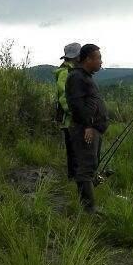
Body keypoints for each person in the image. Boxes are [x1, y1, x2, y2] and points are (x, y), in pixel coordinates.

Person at [65, 43, 108, 213]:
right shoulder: (76, 77)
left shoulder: (86, 76)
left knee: (90, 165)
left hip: (92, 129)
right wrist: (88, 126)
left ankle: (88, 205)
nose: (101, 62)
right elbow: (76, 105)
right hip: (85, 130)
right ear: (88, 59)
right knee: (85, 168)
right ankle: (89, 209)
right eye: (98, 58)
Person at [54, 42, 82, 180]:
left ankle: (74, 179)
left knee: (74, 152)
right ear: (76, 56)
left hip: (71, 120)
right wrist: (76, 114)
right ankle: (75, 180)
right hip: (70, 121)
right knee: (74, 152)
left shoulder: (70, 71)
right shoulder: (65, 73)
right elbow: (64, 97)